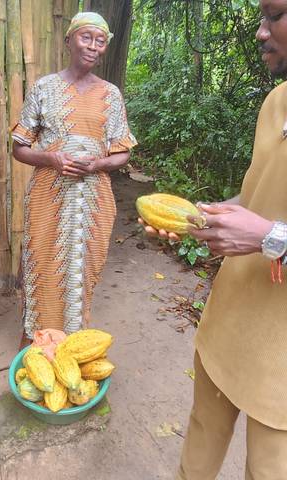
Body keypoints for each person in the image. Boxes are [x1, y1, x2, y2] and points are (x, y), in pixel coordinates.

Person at [141, 1, 287, 477]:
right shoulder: (276, 102)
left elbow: (265, 229)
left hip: (280, 354)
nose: (262, 33)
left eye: (276, 15)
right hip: (230, 317)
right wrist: (207, 223)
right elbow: (257, 195)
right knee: (203, 433)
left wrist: (268, 236)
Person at [12, 12, 137, 349]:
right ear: (69, 41)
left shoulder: (110, 95)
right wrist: (51, 158)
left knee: (81, 270)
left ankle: (71, 345)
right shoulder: (44, 87)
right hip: (47, 197)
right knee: (42, 263)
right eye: (86, 38)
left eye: (100, 41)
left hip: (93, 200)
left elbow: (123, 153)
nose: (93, 47)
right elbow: (19, 148)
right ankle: (33, 342)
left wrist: (96, 164)